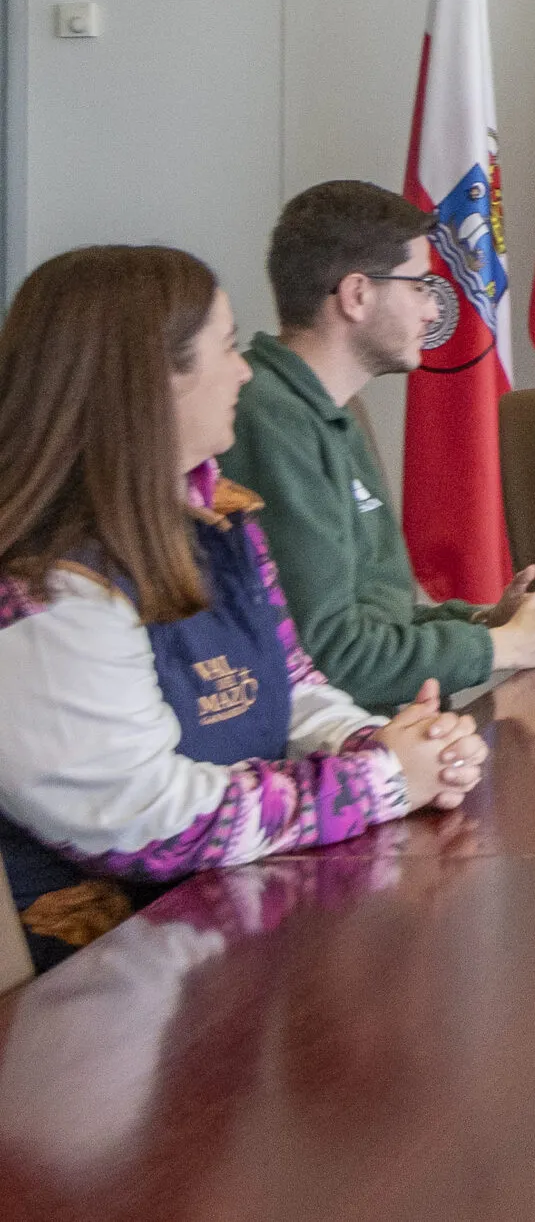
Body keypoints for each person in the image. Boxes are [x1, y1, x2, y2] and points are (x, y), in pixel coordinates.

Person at [0, 247, 485, 971]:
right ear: (150, 384)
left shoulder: (218, 517)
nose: (245, 372)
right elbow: (149, 824)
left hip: (230, 931)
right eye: (226, 348)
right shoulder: (45, 591)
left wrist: (388, 744)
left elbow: (290, 684)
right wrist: (380, 780)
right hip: (100, 985)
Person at [220, 181, 535, 712]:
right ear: (357, 295)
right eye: (421, 286)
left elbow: (382, 620)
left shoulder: (332, 409)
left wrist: (490, 621)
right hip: (343, 744)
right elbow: (333, 659)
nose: (432, 311)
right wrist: (506, 646)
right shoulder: (270, 418)